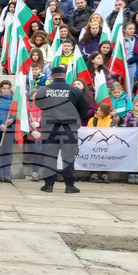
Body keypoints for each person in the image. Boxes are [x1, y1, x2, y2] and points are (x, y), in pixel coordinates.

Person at [35, 65, 88, 193]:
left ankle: (48, 185)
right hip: (68, 127)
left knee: (50, 156)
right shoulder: (75, 91)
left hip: (49, 127)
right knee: (68, 156)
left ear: (52, 76)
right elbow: (84, 109)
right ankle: (69, 186)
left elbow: (38, 104)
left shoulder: (43, 90)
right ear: (65, 76)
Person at [0, 80, 15, 182]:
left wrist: (12, 119)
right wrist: (0, 123)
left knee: (8, 152)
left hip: (9, 128)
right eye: (3, 88)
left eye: (8, 88)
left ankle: (7, 174)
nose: (5, 90)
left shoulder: (14, 100)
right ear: (0, 88)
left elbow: (18, 112)